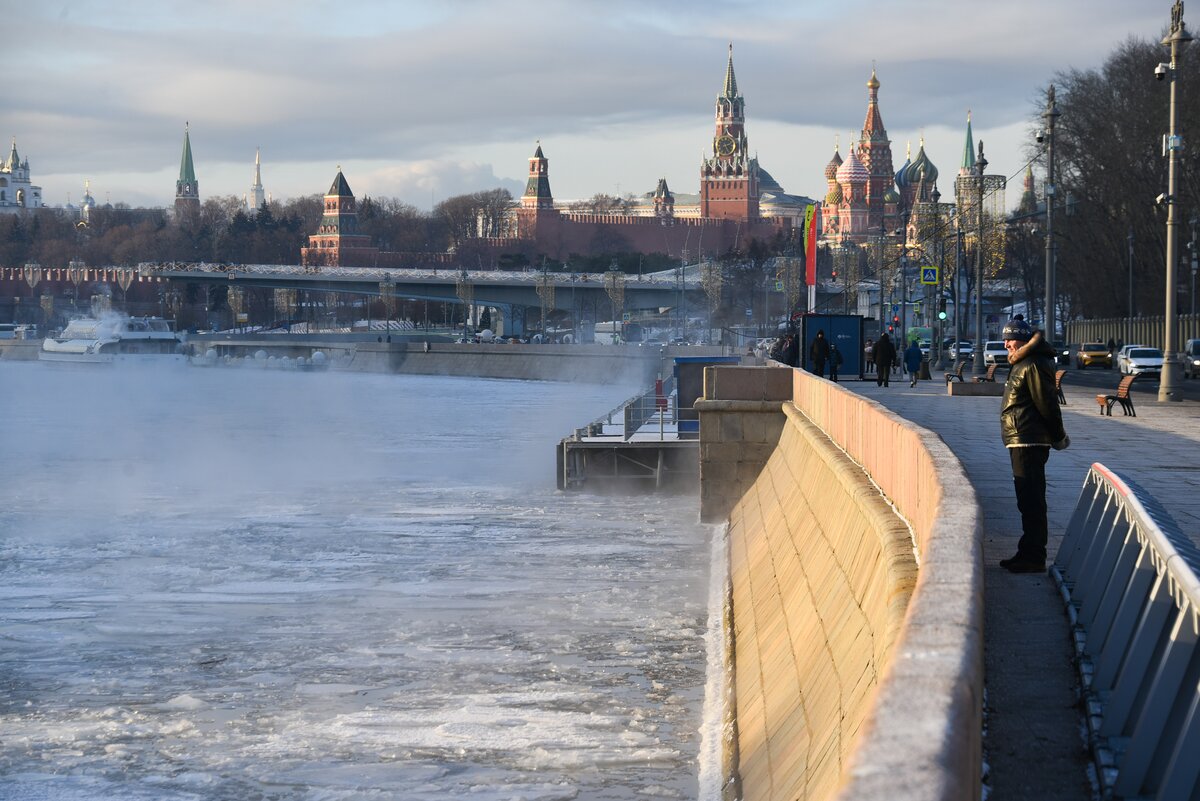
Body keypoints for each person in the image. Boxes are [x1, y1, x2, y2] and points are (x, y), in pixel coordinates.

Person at [997, 318, 1070, 574]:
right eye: (1005, 338)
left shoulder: (1033, 363)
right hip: (1021, 437)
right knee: (1026, 499)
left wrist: (1058, 436)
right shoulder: (1023, 361)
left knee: (1032, 499)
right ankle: (1026, 551)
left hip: (1029, 438)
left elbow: (1047, 404)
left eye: (1010, 339)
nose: (1006, 344)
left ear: (1023, 339)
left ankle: (1035, 557)